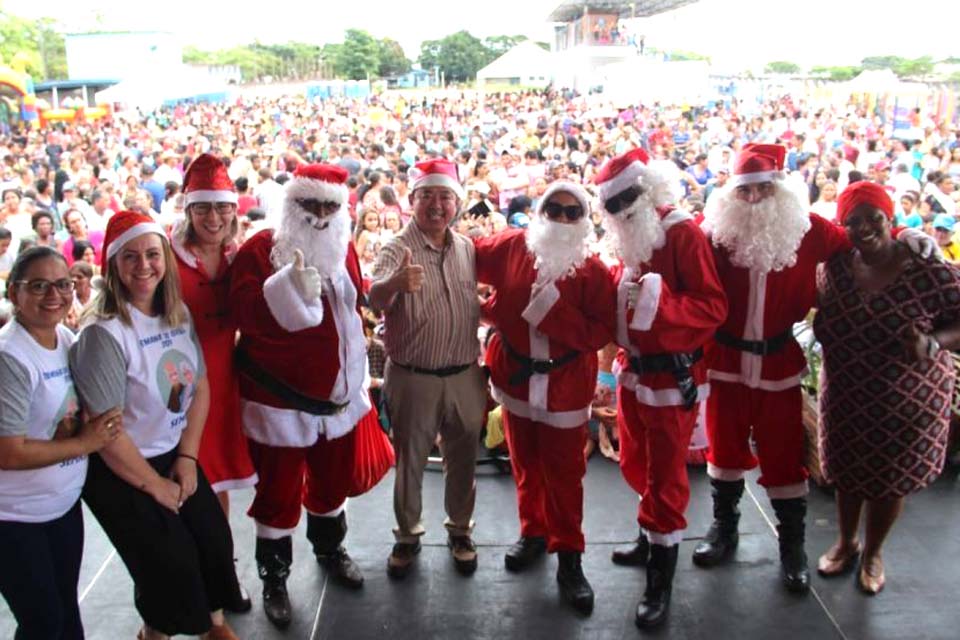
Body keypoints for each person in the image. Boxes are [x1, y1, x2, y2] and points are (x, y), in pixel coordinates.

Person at [694, 144, 937, 595]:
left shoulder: (808, 230)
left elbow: (863, 234)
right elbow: (672, 243)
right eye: (745, 190)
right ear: (731, 193)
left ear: (781, 188)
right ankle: (723, 529)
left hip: (777, 363)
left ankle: (792, 547)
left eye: (764, 188)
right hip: (726, 362)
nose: (755, 198)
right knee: (723, 452)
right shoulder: (712, 232)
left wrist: (903, 232)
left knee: (784, 456)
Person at [230, 163, 392, 629]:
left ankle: (330, 549)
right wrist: (283, 290)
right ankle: (275, 578)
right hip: (280, 405)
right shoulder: (260, 249)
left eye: (329, 207)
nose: (320, 216)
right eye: (310, 204)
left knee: (331, 484)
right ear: (291, 204)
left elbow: (351, 309)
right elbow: (242, 312)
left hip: (338, 403)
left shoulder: (343, 246)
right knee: (277, 495)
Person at [69, 211, 241, 640]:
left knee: (213, 540)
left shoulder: (176, 311)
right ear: (112, 264)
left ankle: (213, 625)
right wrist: (154, 485)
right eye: (130, 257)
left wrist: (187, 457)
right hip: (121, 466)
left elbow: (200, 386)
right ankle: (155, 632)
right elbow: (106, 432)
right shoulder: (103, 332)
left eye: (151, 254)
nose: (143, 265)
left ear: (165, 258)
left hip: (170, 451)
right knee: (168, 559)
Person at [594, 149, 727, 628]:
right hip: (633, 374)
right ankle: (648, 535)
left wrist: (659, 300)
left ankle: (660, 582)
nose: (623, 210)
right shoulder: (628, 237)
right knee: (637, 463)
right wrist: (606, 373)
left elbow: (712, 306)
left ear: (649, 188)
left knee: (667, 478)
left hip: (672, 378)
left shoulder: (681, 233)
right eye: (613, 204)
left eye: (629, 197)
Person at [474, 180, 617, 614]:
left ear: (584, 219)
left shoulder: (593, 270)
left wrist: (556, 316)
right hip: (516, 378)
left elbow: (602, 331)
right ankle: (533, 532)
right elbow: (465, 256)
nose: (562, 218)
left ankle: (569, 556)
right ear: (540, 211)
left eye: (573, 212)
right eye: (554, 209)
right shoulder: (511, 246)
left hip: (565, 384)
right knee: (525, 464)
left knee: (565, 475)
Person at [814, 181, 960, 594]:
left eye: (873, 218)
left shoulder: (929, 269)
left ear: (889, 218)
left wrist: (934, 342)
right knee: (846, 472)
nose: (863, 228)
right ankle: (847, 542)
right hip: (846, 393)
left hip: (907, 401)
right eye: (852, 221)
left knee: (889, 479)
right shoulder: (836, 265)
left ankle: (873, 553)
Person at [368, 158, 487, 579]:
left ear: (456, 202)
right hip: (413, 376)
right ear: (412, 200)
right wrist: (393, 284)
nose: (437, 205)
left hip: (465, 374)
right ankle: (407, 535)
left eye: (445, 197)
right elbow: (373, 301)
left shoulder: (467, 248)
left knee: (464, 459)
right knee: (410, 462)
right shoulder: (395, 248)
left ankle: (461, 530)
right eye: (427, 196)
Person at [0, 247, 120, 640]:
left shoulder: (65, 338)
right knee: (44, 623)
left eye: (62, 284)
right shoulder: (10, 357)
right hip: (14, 517)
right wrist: (86, 443)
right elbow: (9, 452)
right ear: (14, 292)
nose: (54, 294)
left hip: (61, 507)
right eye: (38, 286)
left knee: (65, 612)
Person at [173, 154, 258, 611]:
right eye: (203, 208)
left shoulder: (238, 255)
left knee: (217, 485)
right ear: (188, 210)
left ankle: (221, 574)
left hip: (224, 383)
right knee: (182, 483)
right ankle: (183, 582)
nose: (214, 217)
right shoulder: (164, 256)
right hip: (176, 388)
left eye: (222, 207)